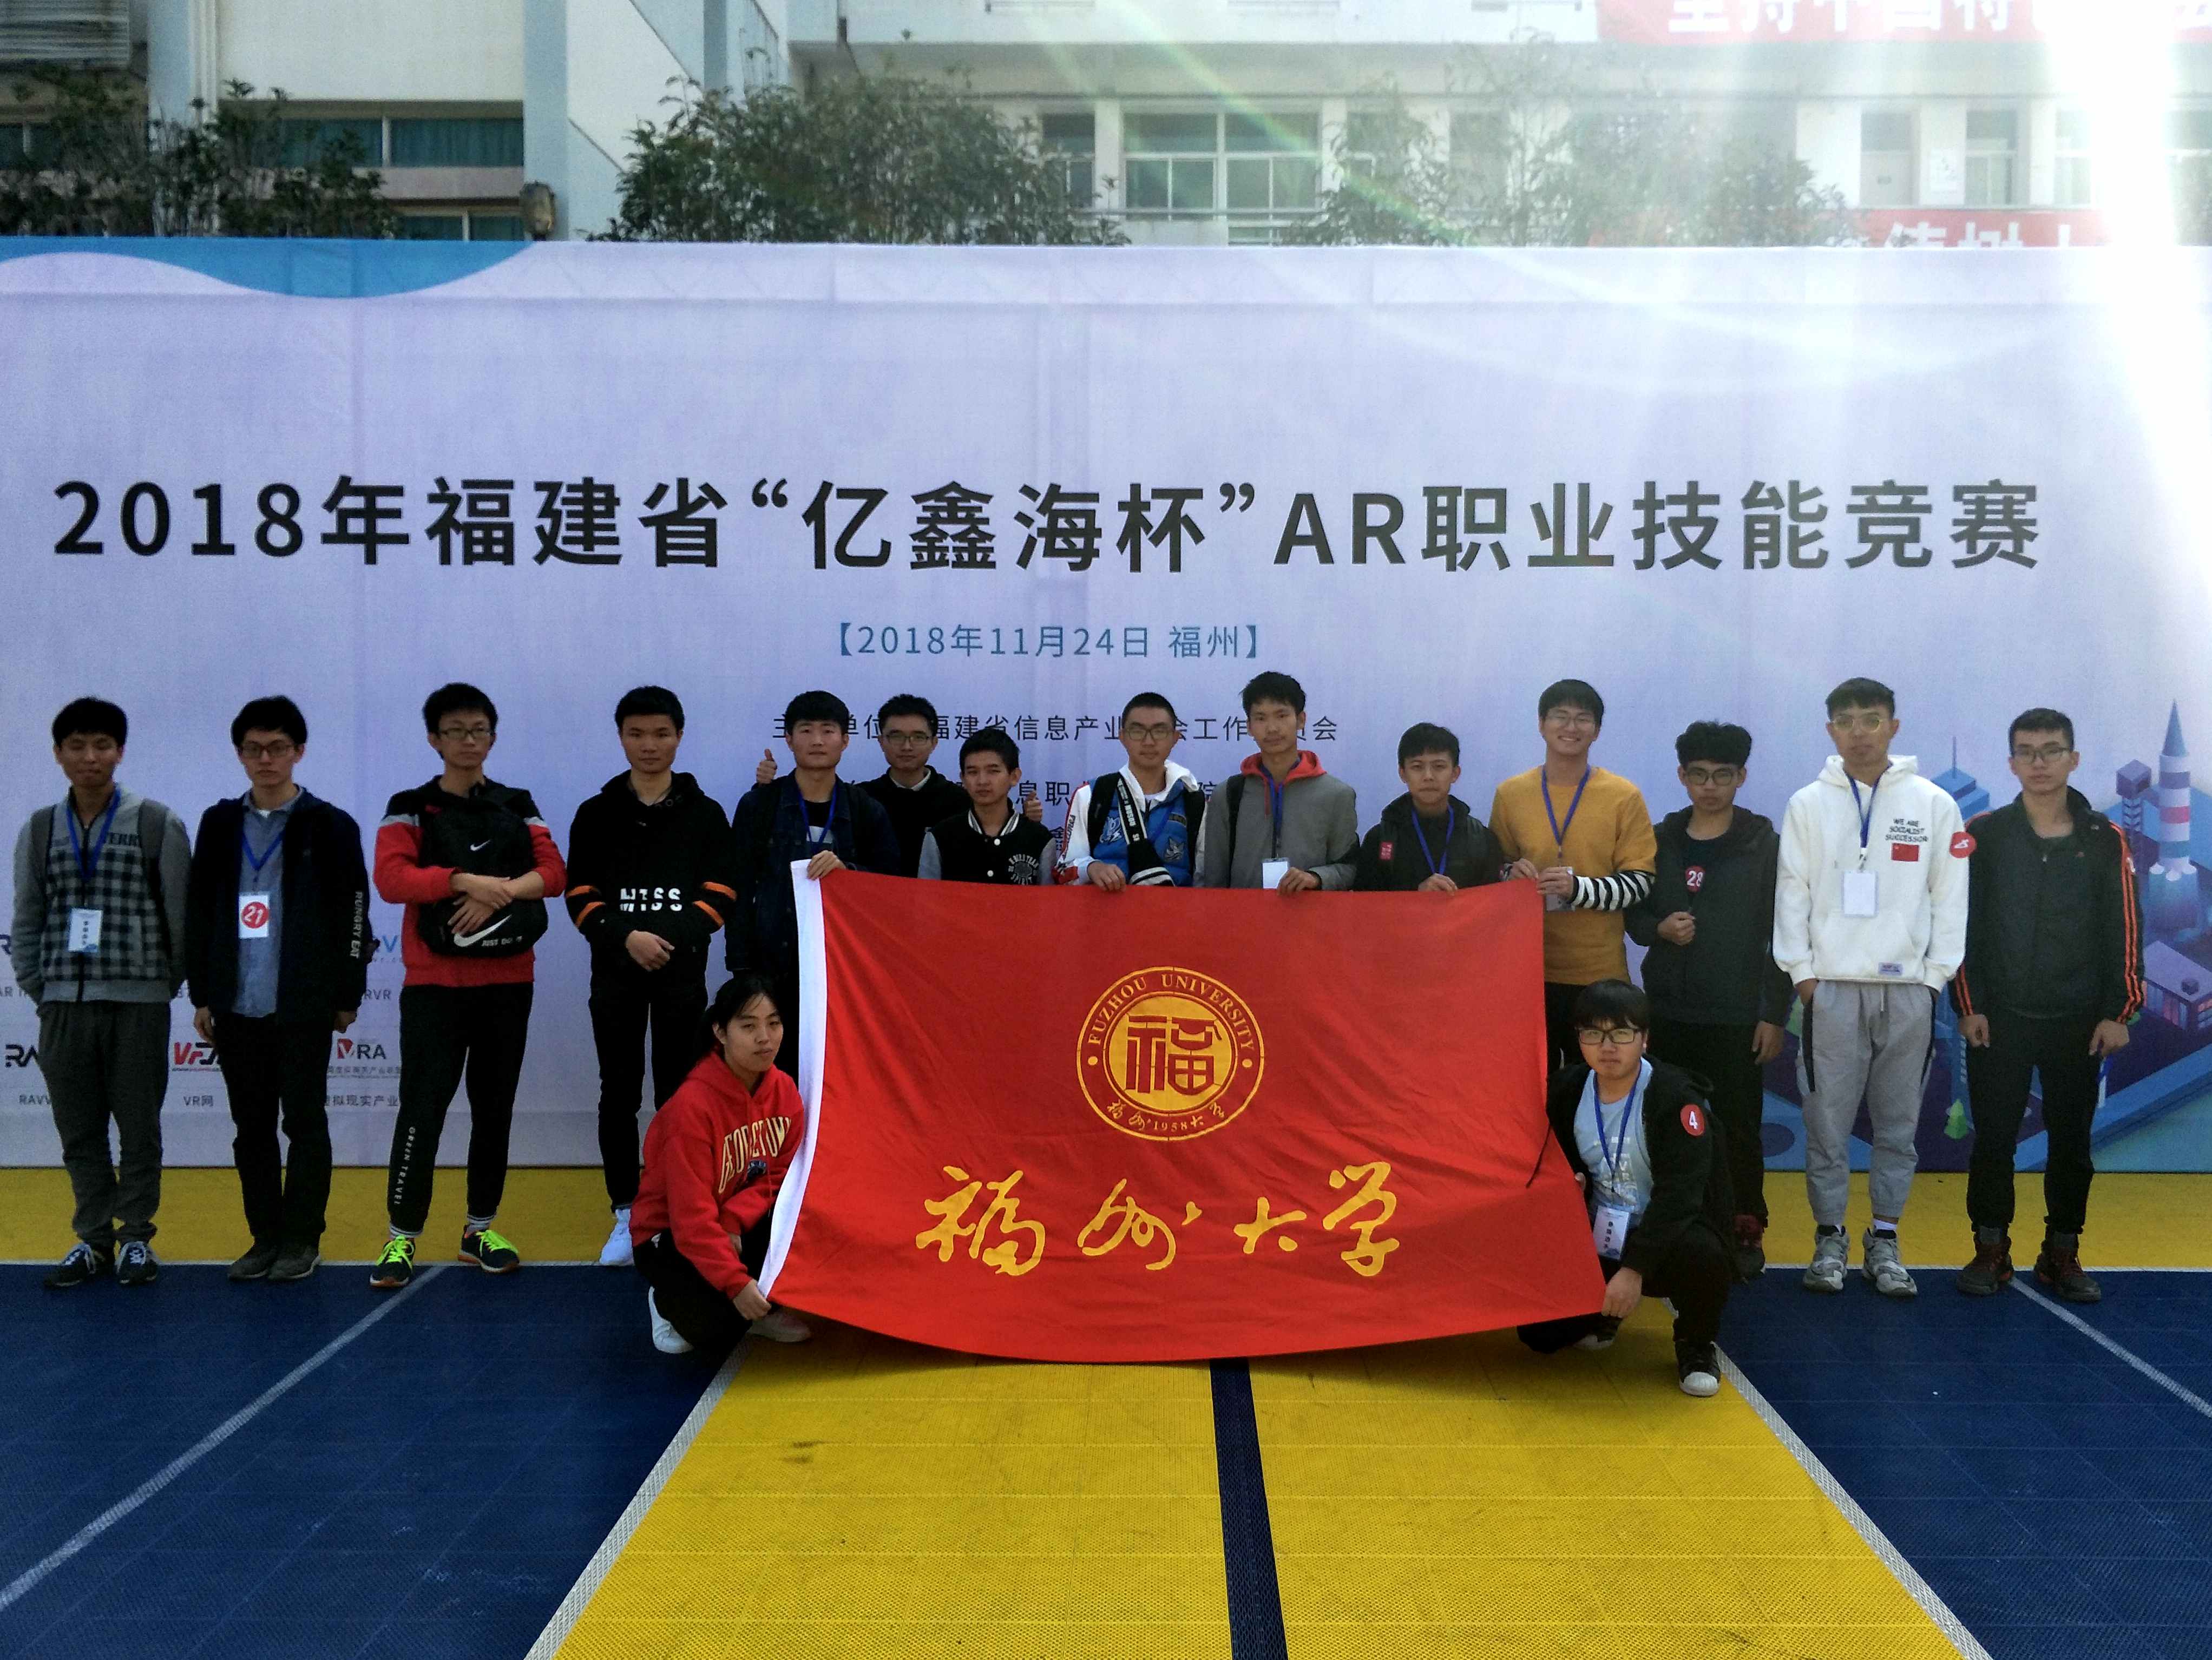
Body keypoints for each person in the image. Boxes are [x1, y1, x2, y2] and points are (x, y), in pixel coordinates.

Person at [1774, 676, 1968, 1299]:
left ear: (1894, 726)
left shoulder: (1934, 803)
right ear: (1830, 729)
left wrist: (1933, 979)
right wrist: (1803, 975)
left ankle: (1884, 1238)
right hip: (1829, 989)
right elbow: (1792, 891)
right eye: (1847, 720)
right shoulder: (1808, 803)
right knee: (1826, 1124)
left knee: (1897, 1125)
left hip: (1908, 990)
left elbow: (1950, 896)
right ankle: (1829, 1237)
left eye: (1872, 718)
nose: (1859, 731)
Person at [369, 683, 566, 1290]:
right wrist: (462, 880)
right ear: (434, 738)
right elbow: (392, 878)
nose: (468, 740)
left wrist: (497, 892)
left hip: (508, 983)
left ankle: (479, 1229)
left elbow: (554, 873)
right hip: (435, 986)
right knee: (421, 1110)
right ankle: (401, 1236)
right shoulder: (409, 806)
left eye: (479, 730)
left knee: (494, 1108)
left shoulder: (518, 803)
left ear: (492, 736)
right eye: (455, 731)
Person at [1953, 708, 2143, 1303]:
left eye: (2052, 750)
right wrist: (1969, 1004)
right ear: (2011, 762)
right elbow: (1962, 926)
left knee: (2072, 1146)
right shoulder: (1984, 835)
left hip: (2078, 1021)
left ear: (2073, 759)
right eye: (2027, 752)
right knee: (1993, 1143)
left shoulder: (2103, 838)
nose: (2039, 763)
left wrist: (2119, 1011)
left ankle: (2061, 1251)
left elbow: (2124, 928)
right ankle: (1990, 1248)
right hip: (2000, 1018)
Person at [184, 696, 371, 1284]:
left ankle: (302, 1238)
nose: (266, 759)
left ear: (299, 752)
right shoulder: (219, 823)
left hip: (303, 1003)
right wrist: (202, 993)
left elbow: (355, 913)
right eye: (254, 748)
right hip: (236, 1002)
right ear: (240, 754)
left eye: (278, 748)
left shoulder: (330, 824)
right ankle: (264, 1236)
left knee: (305, 1125)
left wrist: (348, 993)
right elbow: (199, 909)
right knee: (252, 1130)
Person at [12, 697, 190, 1290]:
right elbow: (28, 917)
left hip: (139, 1004)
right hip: (63, 1006)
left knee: (139, 1129)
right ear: (59, 753)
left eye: (102, 745)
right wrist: (42, 989)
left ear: (120, 752)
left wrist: (162, 984)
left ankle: (136, 1236)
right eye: (78, 746)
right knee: (80, 1132)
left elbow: (180, 916)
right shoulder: (41, 828)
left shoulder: (156, 823)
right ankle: (93, 1238)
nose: (90, 757)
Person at [565, 686, 739, 1270]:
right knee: (618, 1093)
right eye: (637, 734)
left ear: (679, 737)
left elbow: (721, 893)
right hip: (615, 976)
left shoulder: (705, 813)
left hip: (681, 978)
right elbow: (579, 893)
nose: (649, 745)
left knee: (679, 1096)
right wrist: (627, 938)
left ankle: (673, 1211)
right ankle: (625, 1211)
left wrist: (667, 939)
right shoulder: (595, 813)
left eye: (661, 734)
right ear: (621, 737)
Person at [1626, 721, 1791, 1279]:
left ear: (1741, 777)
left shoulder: (1765, 846)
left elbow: (1785, 932)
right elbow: (1632, 911)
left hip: (1737, 1014)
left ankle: (1745, 1226)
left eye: (1722, 775)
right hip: (1667, 1011)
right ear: (1681, 776)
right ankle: (1667, 1225)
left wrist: (1773, 1013)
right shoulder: (1658, 839)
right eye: (1698, 775)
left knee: (1739, 1127)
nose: (1709, 787)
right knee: (1667, 1123)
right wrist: (1656, 929)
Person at [1515, 980, 1732, 1399]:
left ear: (1644, 1039)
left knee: (1704, 1254)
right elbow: (1540, 1160)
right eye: (1592, 1034)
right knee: (1539, 1337)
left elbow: (1681, 1196)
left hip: (1665, 1235)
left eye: (1620, 1033)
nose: (1607, 1047)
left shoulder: (1673, 1097)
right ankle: (1605, 1314)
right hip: (1596, 1233)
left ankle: (1696, 1342)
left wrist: (1633, 1271)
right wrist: (1566, 1185)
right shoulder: (1566, 1090)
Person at [631, 974, 812, 1354]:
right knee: (712, 1333)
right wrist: (735, 1284)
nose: (765, 1038)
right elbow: (689, 1216)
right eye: (749, 1026)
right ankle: (664, 1301)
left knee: (806, 1218)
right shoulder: (692, 1108)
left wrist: (734, 1218)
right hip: (670, 1232)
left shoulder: (784, 1091)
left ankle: (760, 1311)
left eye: (774, 1023)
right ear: (721, 1032)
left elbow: (782, 1175)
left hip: (733, 1219)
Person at [1490, 679, 1658, 1073]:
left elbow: (1640, 881)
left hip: (1598, 973)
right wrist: (1509, 874)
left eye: (1582, 718)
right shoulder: (1511, 794)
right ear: (1541, 724)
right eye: (1560, 716)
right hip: (1528, 970)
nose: (1570, 727)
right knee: (1535, 1083)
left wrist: (1577, 889)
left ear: (1596, 730)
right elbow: (1492, 871)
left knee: (1599, 1082)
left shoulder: (1623, 796)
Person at [727, 690, 900, 1074]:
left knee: (838, 1072)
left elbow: (891, 891)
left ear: (846, 740)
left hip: (843, 970)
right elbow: (739, 886)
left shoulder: (866, 810)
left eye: (828, 730)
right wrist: (741, 968)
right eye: (806, 730)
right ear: (789, 739)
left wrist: (848, 873)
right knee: (771, 1073)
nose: (817, 740)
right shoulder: (759, 806)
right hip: (770, 965)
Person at [752, 693, 1041, 875]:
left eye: (918, 737)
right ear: (880, 741)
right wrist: (765, 790)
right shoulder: (863, 800)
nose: (907, 746)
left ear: (934, 743)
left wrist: (1027, 824)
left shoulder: (959, 799)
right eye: (896, 736)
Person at [1195, 671, 1358, 892]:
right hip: (1243, 913)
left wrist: (1317, 878)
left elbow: (1350, 869)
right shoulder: (1228, 794)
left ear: (1301, 720)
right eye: (1261, 718)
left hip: (1310, 913)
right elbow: (1214, 878)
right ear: (1249, 727)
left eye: (1282, 716)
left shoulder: (1337, 794)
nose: (1272, 728)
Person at [1059, 693, 1209, 891]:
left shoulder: (1194, 801)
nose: (1149, 741)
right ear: (1122, 737)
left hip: (1174, 910)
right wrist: (1091, 868)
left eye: (1159, 731)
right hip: (1106, 910)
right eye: (1137, 731)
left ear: (1175, 738)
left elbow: (1204, 879)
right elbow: (1063, 870)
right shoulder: (1091, 795)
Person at [1352, 723, 1504, 894]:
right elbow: (1365, 904)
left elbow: (1493, 903)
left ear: (1455, 773)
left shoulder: (1481, 839)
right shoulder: (1380, 839)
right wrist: (1416, 895)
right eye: (1417, 767)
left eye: (1439, 767)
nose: (1428, 777)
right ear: (1403, 774)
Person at [918, 728, 1059, 885]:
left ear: (1014, 776)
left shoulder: (1040, 839)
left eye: (993, 771)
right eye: (973, 772)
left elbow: (1049, 898)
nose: (982, 781)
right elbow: (926, 897)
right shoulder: (940, 837)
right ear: (963, 779)